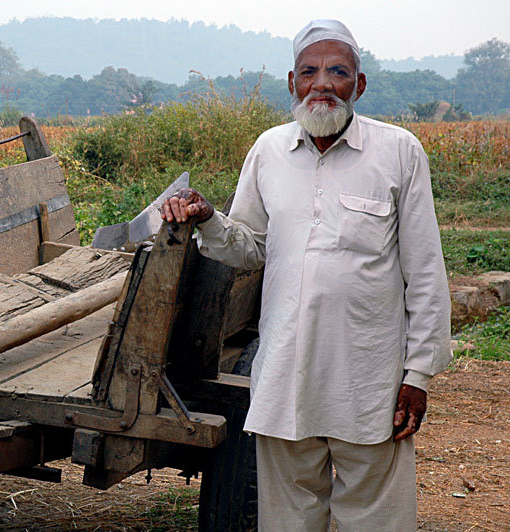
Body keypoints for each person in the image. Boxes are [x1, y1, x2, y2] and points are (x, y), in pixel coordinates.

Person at [162, 19, 452, 531]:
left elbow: (425, 270)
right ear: (292, 83)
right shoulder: (269, 151)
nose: (322, 83)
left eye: (337, 71)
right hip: (285, 374)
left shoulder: (399, 152)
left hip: (369, 378)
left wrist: (419, 375)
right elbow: (251, 248)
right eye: (309, 71)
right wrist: (209, 219)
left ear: (358, 85)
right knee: (288, 518)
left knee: (377, 518)